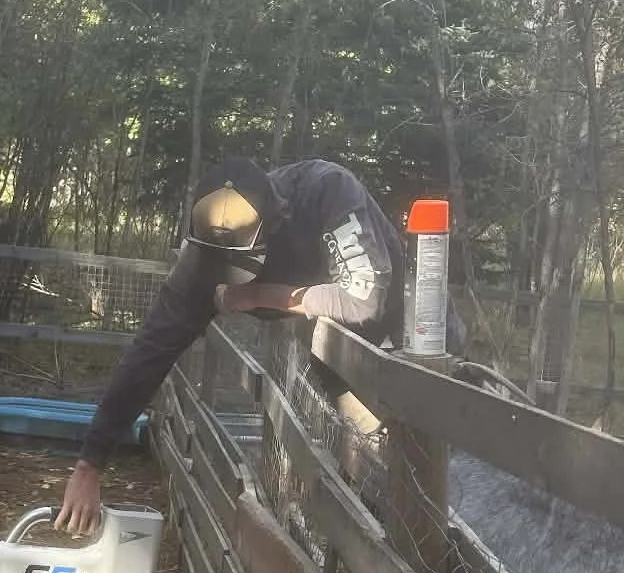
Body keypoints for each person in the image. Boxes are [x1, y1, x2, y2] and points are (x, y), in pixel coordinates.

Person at [56, 155, 417, 534]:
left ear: (275, 223)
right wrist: (89, 466)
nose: (224, 276)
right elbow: (150, 350)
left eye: (236, 266)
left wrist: (259, 294)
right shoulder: (203, 255)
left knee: (406, 482)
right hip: (331, 361)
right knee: (360, 486)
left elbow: (364, 300)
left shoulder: (326, 191)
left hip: (403, 343)